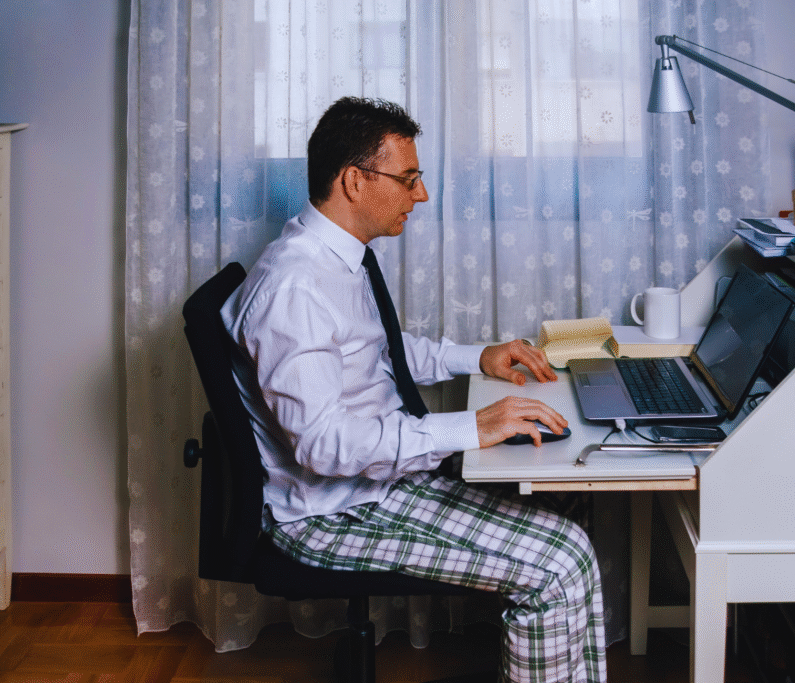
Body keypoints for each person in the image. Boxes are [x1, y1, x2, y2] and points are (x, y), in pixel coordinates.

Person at [223, 96, 607, 683]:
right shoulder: (294, 287)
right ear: (355, 180)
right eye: (408, 179)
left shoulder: (335, 259)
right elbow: (323, 444)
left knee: (568, 501)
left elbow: (381, 352)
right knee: (559, 561)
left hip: (373, 480)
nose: (420, 195)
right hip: (335, 511)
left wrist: (476, 357)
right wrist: (473, 429)